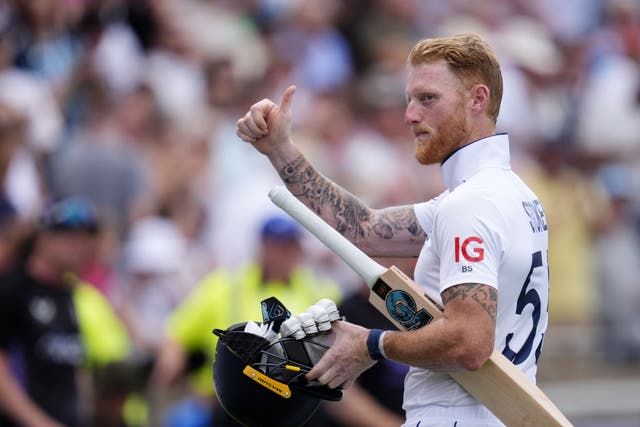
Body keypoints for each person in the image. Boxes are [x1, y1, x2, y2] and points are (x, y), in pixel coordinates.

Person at [236, 32, 550, 427]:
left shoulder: (470, 204)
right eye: (410, 99)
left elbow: (471, 343)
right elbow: (362, 228)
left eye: (428, 98)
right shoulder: (513, 194)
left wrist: (370, 344)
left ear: (477, 99)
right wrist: (280, 149)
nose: (410, 115)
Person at [151, 214, 341, 427]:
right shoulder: (224, 286)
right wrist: (168, 376)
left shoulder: (320, 291)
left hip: (293, 405)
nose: (283, 255)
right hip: (228, 400)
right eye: (277, 246)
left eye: (290, 247)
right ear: (262, 247)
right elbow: (178, 332)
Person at [0, 198, 131, 427]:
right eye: (69, 235)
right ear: (43, 238)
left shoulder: (72, 295)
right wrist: (39, 423)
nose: (79, 245)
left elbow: (73, 370)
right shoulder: (12, 289)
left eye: (85, 237)